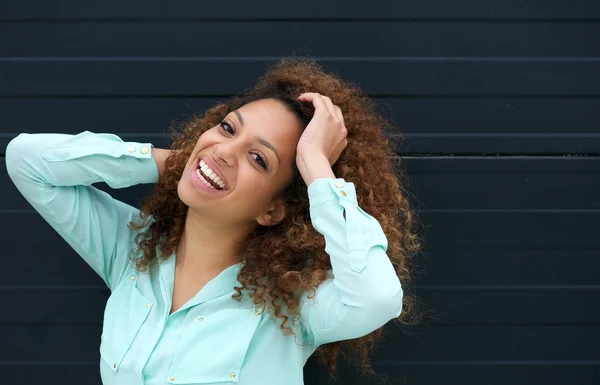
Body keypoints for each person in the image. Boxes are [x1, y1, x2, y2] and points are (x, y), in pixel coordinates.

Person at [6, 58, 420, 385]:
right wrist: (187, 160)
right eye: (227, 128)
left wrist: (315, 167)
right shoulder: (131, 250)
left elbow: (377, 297)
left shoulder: (292, 305)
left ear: (274, 209)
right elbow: (27, 160)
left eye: (258, 159)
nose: (225, 150)